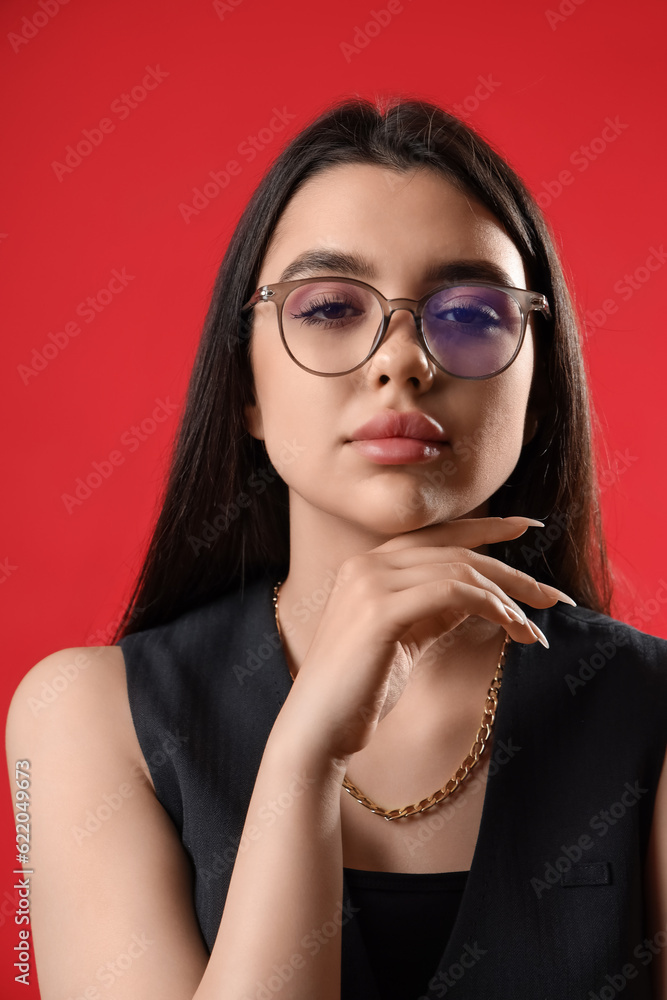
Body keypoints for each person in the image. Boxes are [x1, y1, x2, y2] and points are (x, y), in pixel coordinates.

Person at [5, 96, 667, 1000]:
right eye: (327, 308)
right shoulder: (86, 716)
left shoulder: (649, 716)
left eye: (471, 313)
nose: (403, 361)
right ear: (244, 383)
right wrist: (303, 754)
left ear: (541, 388)